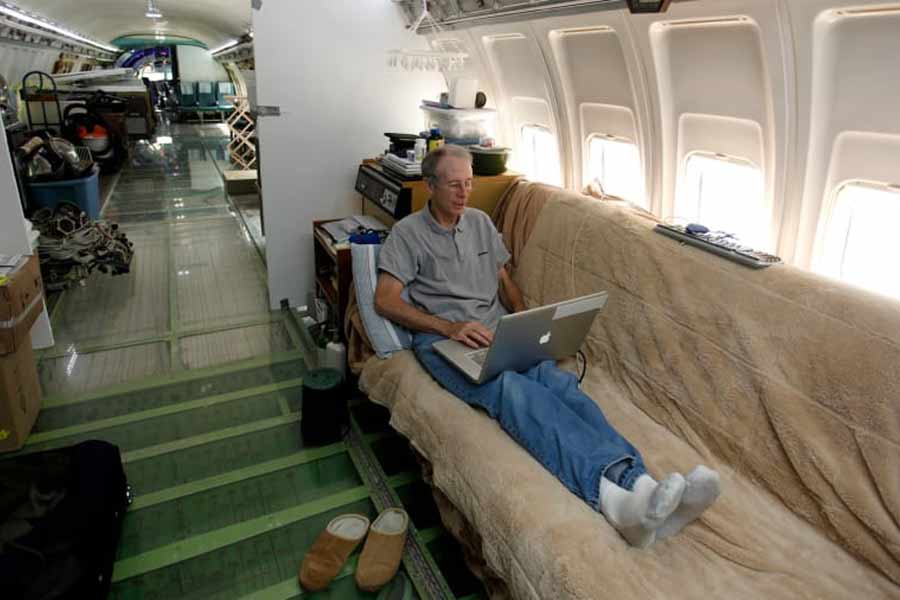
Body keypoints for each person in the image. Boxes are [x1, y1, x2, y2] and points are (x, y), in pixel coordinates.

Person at [374, 145, 720, 547]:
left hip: (499, 331)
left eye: (469, 183)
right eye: (453, 184)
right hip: (444, 341)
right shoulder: (408, 234)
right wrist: (448, 327)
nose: (463, 193)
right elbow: (385, 300)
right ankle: (614, 503)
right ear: (430, 185)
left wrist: (525, 321)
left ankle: (640, 485)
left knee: (560, 387)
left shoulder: (482, 223)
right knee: (513, 391)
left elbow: (504, 279)